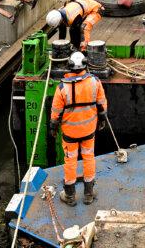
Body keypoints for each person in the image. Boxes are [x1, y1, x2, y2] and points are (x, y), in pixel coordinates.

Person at [49, 51, 107, 206]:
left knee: (70, 161)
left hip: (70, 132)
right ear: (85, 64)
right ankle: (88, 194)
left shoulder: (62, 88)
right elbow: (101, 103)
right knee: (88, 158)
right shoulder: (95, 82)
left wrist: (53, 127)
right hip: (89, 129)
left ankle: (69, 196)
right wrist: (102, 119)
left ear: (69, 66)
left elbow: (56, 111)